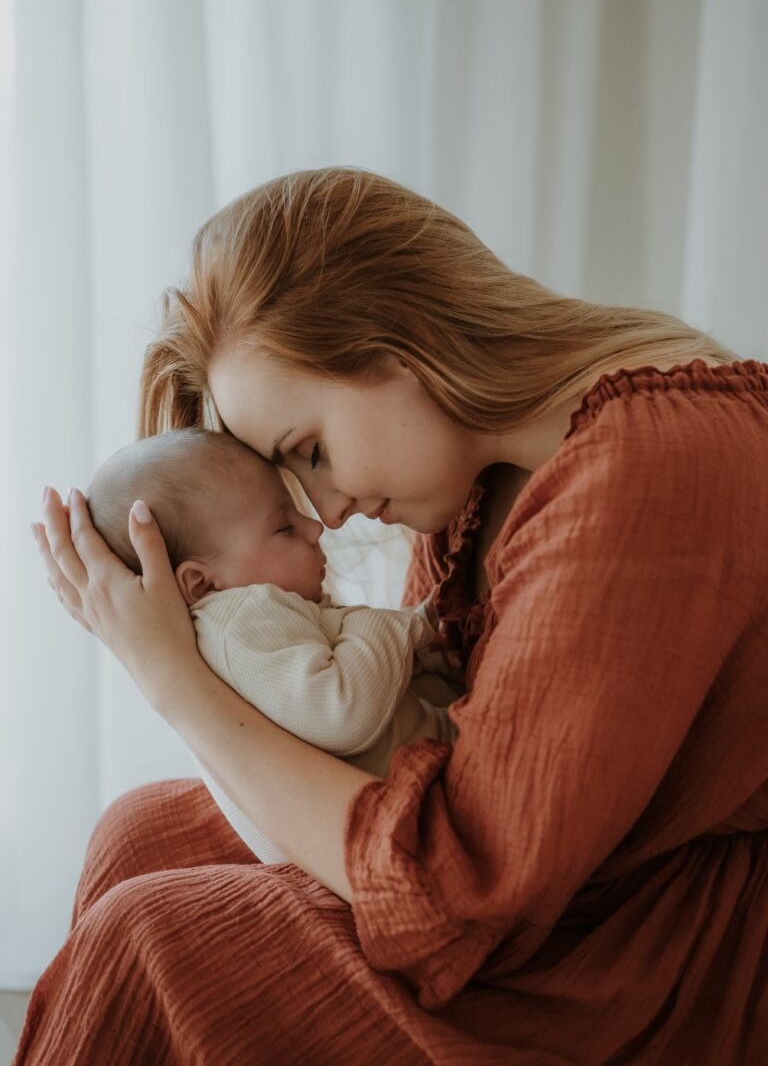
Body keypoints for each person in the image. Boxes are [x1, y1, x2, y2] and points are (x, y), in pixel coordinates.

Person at [23, 166, 767, 1065]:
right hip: (564, 877)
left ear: (400, 341)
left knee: (146, 941)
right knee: (140, 831)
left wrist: (172, 679)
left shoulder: (642, 472)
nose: (329, 512)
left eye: (314, 451)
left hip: (654, 946)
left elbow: (455, 894)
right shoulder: (471, 487)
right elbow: (431, 746)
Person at [86, 426, 457, 862]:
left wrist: (420, 635)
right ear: (201, 582)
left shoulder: (240, 628)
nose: (315, 527)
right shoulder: (243, 618)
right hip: (391, 842)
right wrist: (395, 628)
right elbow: (340, 709)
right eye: (284, 526)